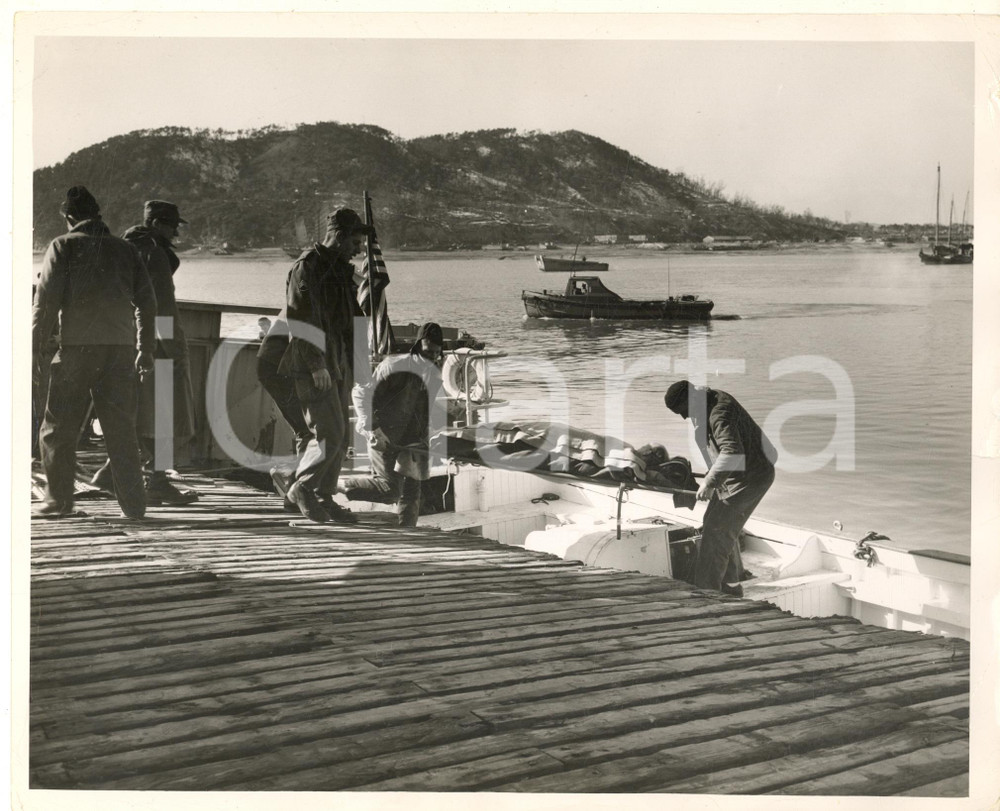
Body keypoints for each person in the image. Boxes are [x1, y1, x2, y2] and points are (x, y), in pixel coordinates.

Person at [32, 185, 157, 518]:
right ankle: (134, 506)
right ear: (98, 215)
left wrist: (33, 351)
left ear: (70, 217)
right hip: (120, 352)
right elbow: (147, 304)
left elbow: (45, 306)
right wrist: (144, 349)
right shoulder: (126, 250)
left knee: (58, 428)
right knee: (121, 429)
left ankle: (59, 501)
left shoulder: (63, 246)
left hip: (77, 351)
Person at [90, 200, 200, 505]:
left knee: (136, 410)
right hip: (157, 344)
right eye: (171, 225)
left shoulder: (124, 247)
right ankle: (157, 481)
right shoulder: (154, 253)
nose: (176, 232)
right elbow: (161, 307)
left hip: (124, 339)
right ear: (155, 224)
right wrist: (172, 349)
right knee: (165, 412)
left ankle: (110, 473)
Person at [277, 207, 373, 524]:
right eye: (355, 242)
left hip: (338, 362)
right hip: (313, 363)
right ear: (339, 236)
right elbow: (301, 318)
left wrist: (361, 367)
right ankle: (302, 488)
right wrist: (316, 364)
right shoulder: (308, 268)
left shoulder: (340, 270)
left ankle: (324, 495)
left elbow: (353, 321)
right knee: (328, 432)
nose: (359, 249)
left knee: (341, 437)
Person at [663, 379, 777, 597]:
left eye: (684, 411)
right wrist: (712, 476)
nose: (684, 417)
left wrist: (709, 482)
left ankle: (708, 594)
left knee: (716, 534)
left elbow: (732, 452)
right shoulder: (706, 400)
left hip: (752, 478)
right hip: (736, 476)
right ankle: (730, 586)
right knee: (714, 524)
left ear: (691, 400)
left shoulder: (719, 412)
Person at [341, 322, 451, 527]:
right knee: (390, 490)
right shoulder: (393, 366)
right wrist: (373, 430)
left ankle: (408, 532)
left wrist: (429, 434)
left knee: (412, 491)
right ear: (416, 348)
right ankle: (339, 485)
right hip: (383, 434)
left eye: (437, 353)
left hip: (412, 439)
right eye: (428, 352)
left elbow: (425, 409)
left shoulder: (435, 374)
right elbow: (361, 393)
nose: (433, 358)